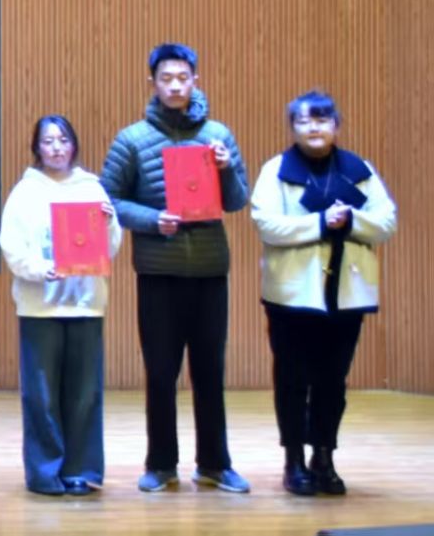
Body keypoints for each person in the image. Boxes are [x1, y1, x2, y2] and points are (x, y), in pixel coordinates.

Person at [100, 42, 251, 493]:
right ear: (152, 83)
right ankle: (161, 464)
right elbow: (107, 200)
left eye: (183, 78)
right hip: (158, 272)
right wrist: (152, 220)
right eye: (166, 78)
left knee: (210, 372)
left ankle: (215, 464)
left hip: (209, 270)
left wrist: (226, 168)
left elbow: (237, 201)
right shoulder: (132, 139)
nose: (175, 86)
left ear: (195, 81)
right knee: (161, 373)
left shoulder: (218, 135)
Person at [250, 90, 396, 496]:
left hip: (346, 294)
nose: (314, 128)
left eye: (322, 120)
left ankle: (324, 457)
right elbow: (266, 224)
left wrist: (350, 221)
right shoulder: (276, 171)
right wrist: (318, 223)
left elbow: (386, 222)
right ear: (292, 128)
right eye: (304, 121)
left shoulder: (359, 169)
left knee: (333, 382)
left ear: (336, 125)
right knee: (292, 381)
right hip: (292, 297)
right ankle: (294, 460)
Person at [0, 115, 121, 495]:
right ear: (37, 148)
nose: (56, 148)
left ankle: (81, 471)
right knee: (41, 395)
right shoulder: (24, 192)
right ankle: (44, 473)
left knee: (85, 394)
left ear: (74, 145)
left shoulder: (93, 188)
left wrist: (109, 224)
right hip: (40, 307)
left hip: (85, 305)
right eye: (48, 141)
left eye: (63, 140)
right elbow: (11, 247)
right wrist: (41, 270)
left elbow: (110, 247)